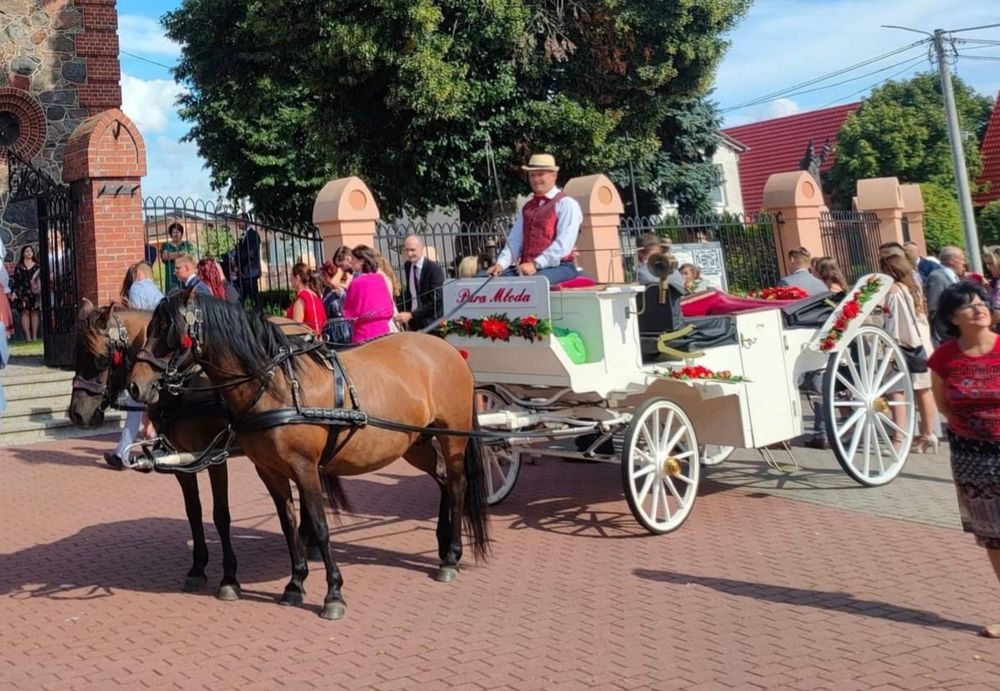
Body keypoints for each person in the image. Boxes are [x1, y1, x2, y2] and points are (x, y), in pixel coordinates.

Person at [927, 281, 1000, 637]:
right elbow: (944, 405)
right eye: (968, 305)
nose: (979, 308)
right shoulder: (944, 358)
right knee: (994, 537)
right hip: (972, 457)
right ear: (952, 318)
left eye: (981, 302)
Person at [486, 153, 582, 286]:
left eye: (540, 174)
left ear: (553, 175)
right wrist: (501, 264)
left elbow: (564, 244)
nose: (535, 179)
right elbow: (515, 240)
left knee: (531, 284)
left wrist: (536, 264)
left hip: (560, 266)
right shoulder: (527, 207)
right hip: (527, 267)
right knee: (483, 280)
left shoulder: (566, 204)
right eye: (532, 175)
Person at [105, 261, 165, 471]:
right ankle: (144, 448)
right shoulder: (158, 292)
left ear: (139, 274)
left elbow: (136, 319)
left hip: (144, 353)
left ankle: (122, 454)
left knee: (134, 404)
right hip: (160, 354)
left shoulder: (137, 288)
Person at [880, 251, 938, 453]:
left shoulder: (894, 290)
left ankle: (899, 437)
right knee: (924, 389)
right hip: (922, 345)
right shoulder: (913, 287)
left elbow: (895, 323)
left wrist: (889, 344)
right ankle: (928, 433)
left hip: (905, 346)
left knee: (895, 390)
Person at [342, 245, 395, 343]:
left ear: (361, 261)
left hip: (364, 333)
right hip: (383, 330)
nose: (351, 262)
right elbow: (389, 306)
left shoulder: (356, 283)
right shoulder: (380, 278)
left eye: (353, 259)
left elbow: (349, 312)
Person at [397, 234, 445, 331]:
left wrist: (411, 314)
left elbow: (436, 300)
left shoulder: (434, 269)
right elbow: (410, 293)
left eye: (412, 250)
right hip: (414, 322)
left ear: (421, 248)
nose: (409, 254)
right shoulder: (408, 266)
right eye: (406, 250)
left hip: (431, 322)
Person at [926, 246, 966, 345]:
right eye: (962, 259)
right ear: (951, 261)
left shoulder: (953, 276)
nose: (964, 263)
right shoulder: (937, 277)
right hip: (946, 333)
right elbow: (934, 307)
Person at [229, 214, 262, 310]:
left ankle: (258, 317)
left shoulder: (253, 235)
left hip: (250, 273)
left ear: (245, 221)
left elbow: (251, 252)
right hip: (243, 274)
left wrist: (236, 258)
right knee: (240, 300)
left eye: (239, 221)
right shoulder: (243, 236)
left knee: (254, 299)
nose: (237, 223)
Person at [285, 262, 326, 335]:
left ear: (297, 278)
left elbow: (296, 328)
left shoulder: (301, 299)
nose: (290, 280)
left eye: (291, 276)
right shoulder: (316, 296)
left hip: (307, 343)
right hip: (319, 339)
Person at [10, 245, 41, 341]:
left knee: (35, 312)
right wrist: (15, 292)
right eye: (27, 251)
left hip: (34, 292)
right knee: (25, 312)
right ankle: (28, 336)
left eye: (31, 251)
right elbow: (16, 280)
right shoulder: (19, 266)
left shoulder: (37, 266)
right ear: (23, 253)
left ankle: (35, 336)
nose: (29, 253)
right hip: (23, 292)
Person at [160, 222, 195, 292]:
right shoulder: (165, 245)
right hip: (171, 276)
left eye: (178, 232)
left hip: (185, 275)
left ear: (181, 233)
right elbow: (164, 256)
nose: (176, 234)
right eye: (174, 232)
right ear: (170, 234)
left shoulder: (186, 244)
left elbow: (189, 257)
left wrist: (172, 255)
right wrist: (181, 254)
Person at [983, 246, 1000, 331]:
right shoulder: (995, 280)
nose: (988, 267)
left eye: (991, 264)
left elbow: (998, 313)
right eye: (987, 264)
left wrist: (986, 329)